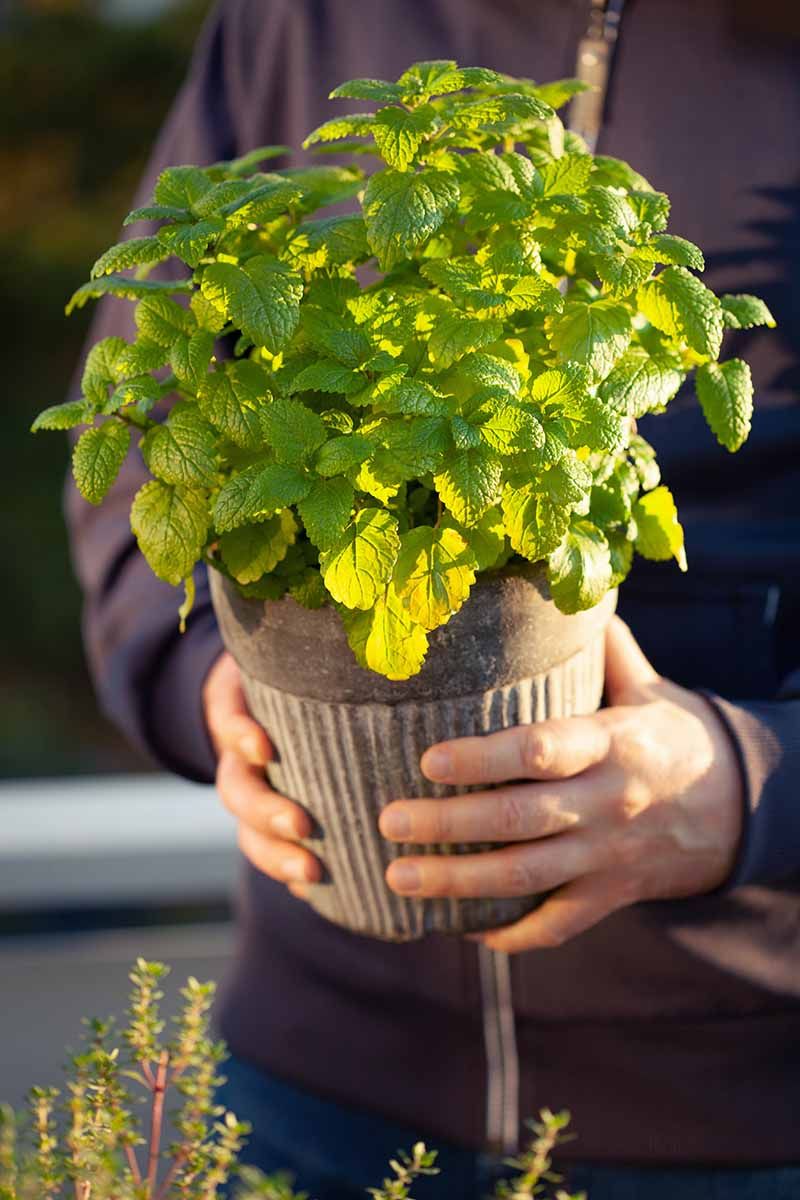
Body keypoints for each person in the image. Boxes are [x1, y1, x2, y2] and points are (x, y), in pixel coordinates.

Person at [65, 1, 800, 1197]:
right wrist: (206, 681)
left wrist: (753, 783)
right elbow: (140, 415)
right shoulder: (293, 17)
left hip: (740, 1116)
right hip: (312, 1074)